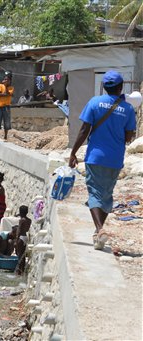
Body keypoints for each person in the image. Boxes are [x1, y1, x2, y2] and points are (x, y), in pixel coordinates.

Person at [69, 70, 136, 251]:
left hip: (95, 157)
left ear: (105, 87)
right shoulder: (128, 109)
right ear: (121, 87)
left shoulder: (94, 103)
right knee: (106, 195)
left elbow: (84, 130)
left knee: (94, 194)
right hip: (115, 159)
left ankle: (100, 229)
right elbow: (129, 136)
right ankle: (98, 235)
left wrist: (73, 152)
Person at [0, 73, 14, 141]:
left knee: (6, 122)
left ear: (9, 81)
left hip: (7, 106)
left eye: (7, 79)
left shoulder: (11, 88)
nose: (5, 80)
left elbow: (9, 94)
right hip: (0, 106)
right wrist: (5, 94)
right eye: (4, 79)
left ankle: (5, 137)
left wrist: (6, 89)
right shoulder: (0, 85)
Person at [15, 205, 31, 275]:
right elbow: (27, 229)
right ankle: (22, 270)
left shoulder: (21, 220)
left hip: (20, 238)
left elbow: (19, 231)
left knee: (19, 255)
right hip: (25, 237)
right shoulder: (29, 220)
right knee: (23, 255)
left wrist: (16, 240)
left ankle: (18, 271)